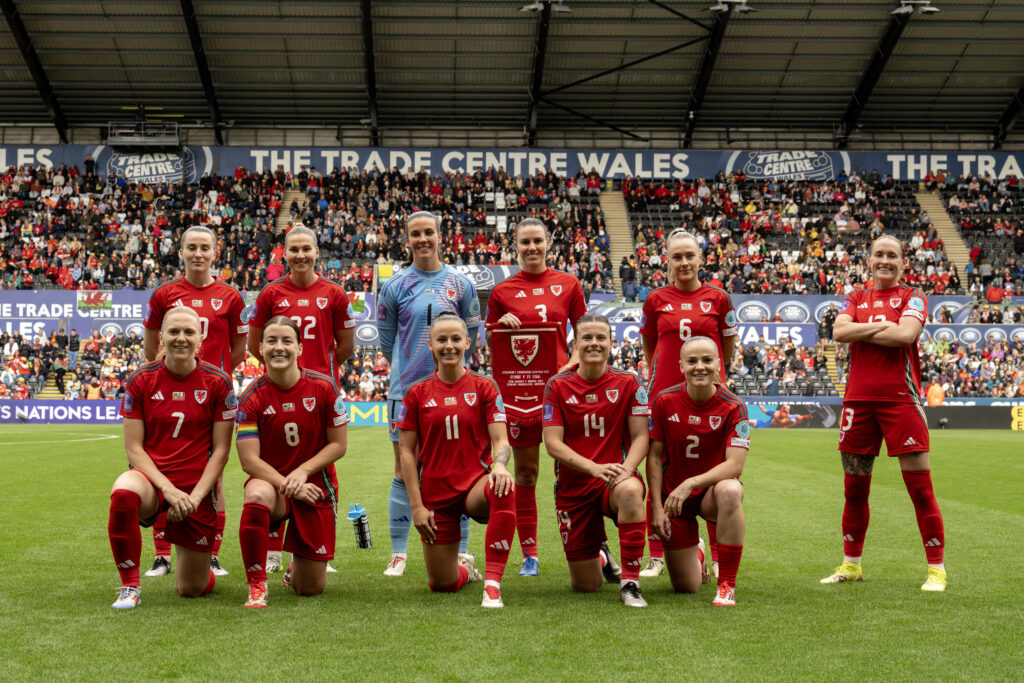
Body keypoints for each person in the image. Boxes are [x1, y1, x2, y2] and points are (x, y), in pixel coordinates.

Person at [822, 235, 946, 592]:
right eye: (879, 254)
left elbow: (906, 335)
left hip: (901, 402)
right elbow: (838, 331)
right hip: (857, 403)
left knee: (920, 490)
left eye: (892, 255)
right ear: (869, 259)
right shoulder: (857, 296)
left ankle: (936, 570)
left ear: (902, 263)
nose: (885, 260)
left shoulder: (913, 296)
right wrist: (880, 328)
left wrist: (861, 331)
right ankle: (851, 565)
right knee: (854, 490)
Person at [106, 306, 235, 609]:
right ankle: (129, 587)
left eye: (189, 332)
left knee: (192, 588)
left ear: (200, 339)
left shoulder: (219, 382)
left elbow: (221, 450)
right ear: (160, 337)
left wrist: (194, 496)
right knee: (123, 492)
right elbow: (134, 449)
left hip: (195, 488)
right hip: (152, 482)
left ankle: (200, 569)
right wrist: (167, 489)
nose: (181, 338)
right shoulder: (141, 379)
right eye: (173, 332)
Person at [377, 211, 481, 577]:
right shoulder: (394, 285)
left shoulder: (460, 283)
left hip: (452, 389)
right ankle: (399, 552)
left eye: (428, 233)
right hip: (406, 391)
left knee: (458, 468)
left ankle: (464, 551)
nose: (422, 239)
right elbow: (388, 341)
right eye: (415, 234)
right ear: (407, 239)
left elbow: (472, 335)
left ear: (441, 236)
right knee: (403, 470)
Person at [142, 225, 248, 578]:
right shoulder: (164, 294)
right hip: (168, 392)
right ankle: (161, 554)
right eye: (192, 248)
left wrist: (212, 376)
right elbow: (150, 346)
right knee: (163, 467)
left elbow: (238, 350)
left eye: (205, 247)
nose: (198, 253)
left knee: (213, 477)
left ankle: (212, 552)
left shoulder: (231, 296)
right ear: (182, 252)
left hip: (211, 396)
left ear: (215, 252)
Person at [248, 225, 355, 573]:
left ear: (317, 252)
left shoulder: (335, 293)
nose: (300, 255)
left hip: (319, 393)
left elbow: (346, 346)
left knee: (323, 465)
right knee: (273, 460)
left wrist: (317, 378)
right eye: (293, 249)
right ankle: (273, 549)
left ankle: (316, 546)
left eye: (306, 248)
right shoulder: (271, 293)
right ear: (284, 254)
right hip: (276, 390)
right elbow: (254, 344)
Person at [485, 218, 587, 576]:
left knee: (576, 473)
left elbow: (585, 335)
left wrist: (571, 366)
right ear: (516, 246)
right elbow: (490, 342)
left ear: (549, 243)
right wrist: (501, 326)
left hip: (561, 392)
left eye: (537, 241)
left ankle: (590, 548)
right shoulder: (502, 292)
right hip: (520, 396)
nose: (531, 248)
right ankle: (530, 553)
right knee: (526, 474)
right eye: (525, 242)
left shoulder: (568, 284)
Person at [396, 313, 516, 608]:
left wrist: (499, 464)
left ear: (468, 343)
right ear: (431, 345)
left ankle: (492, 584)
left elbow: (501, 440)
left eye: (455, 339)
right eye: (441, 340)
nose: (449, 345)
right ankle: (467, 571)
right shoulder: (416, 393)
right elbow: (406, 453)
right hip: (436, 496)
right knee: (443, 584)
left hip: (475, 487)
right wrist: (417, 508)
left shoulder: (485, 387)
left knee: (504, 485)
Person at [639, 228, 737, 578]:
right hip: (664, 398)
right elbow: (653, 349)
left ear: (700, 258)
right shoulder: (654, 300)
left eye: (689, 255)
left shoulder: (719, 298)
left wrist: (712, 380)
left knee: (710, 467)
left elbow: (725, 350)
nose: (683, 262)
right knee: (660, 469)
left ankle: (715, 553)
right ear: (667, 260)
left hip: (707, 398)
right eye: (676, 256)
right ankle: (656, 554)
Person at [235, 317, 349, 608]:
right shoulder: (251, 396)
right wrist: (288, 483)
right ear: (260, 348)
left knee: (309, 589)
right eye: (271, 340)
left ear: (299, 347)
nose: (279, 347)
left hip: (315, 487)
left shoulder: (324, 388)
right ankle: (257, 584)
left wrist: (302, 472)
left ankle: (294, 570)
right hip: (273, 486)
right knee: (256, 494)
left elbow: (338, 445)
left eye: (287, 341)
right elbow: (249, 460)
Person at [542, 313, 651, 607]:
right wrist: (594, 468)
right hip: (574, 486)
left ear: (611, 342)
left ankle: (630, 583)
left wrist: (626, 470)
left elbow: (642, 437)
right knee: (586, 586)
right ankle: (600, 555)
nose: (594, 343)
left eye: (601, 338)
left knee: (630, 490)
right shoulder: (557, 385)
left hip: (614, 480)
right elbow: (552, 443)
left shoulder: (629, 382)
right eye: (587, 338)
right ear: (575, 344)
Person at [647, 337, 750, 607]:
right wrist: (656, 507)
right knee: (686, 587)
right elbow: (654, 457)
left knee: (731, 489)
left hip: (710, 495)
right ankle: (700, 555)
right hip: (674, 500)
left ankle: (726, 584)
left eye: (707, 360)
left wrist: (691, 483)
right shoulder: (664, 400)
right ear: (681, 366)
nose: (700, 367)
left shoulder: (734, 405)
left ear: (719, 363)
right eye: (692, 361)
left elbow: (735, 465)